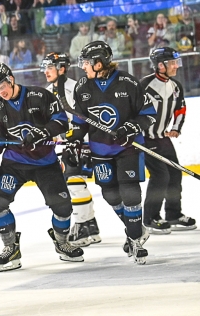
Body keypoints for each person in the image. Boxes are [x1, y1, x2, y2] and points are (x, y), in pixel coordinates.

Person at [0, 63, 83, 272]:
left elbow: (62, 122)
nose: (1, 92)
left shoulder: (40, 96)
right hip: (14, 163)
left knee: (63, 208)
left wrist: (42, 132)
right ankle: (11, 248)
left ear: (10, 79)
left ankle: (62, 242)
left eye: (2, 86)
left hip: (45, 163)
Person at [67, 41, 157, 264]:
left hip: (129, 148)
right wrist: (74, 143)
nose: (83, 67)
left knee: (130, 192)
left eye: (87, 63)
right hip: (100, 150)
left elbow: (148, 114)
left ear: (99, 63)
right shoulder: (82, 87)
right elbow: (79, 122)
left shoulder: (128, 82)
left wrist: (131, 127)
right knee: (110, 194)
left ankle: (135, 239)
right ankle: (135, 228)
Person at [40, 52, 102, 246]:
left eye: (50, 67)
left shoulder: (75, 87)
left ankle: (83, 226)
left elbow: (88, 116)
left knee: (74, 183)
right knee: (75, 184)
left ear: (62, 68)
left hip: (80, 142)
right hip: (64, 145)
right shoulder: (46, 92)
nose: (46, 72)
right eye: (45, 68)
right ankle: (90, 225)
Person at [140, 47, 195, 233]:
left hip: (163, 138)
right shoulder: (144, 85)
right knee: (160, 176)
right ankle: (150, 218)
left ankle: (173, 214)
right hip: (146, 139)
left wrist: (175, 128)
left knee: (175, 174)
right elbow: (132, 110)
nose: (176, 66)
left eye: (176, 62)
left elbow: (180, 109)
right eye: (172, 63)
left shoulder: (175, 86)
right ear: (160, 65)